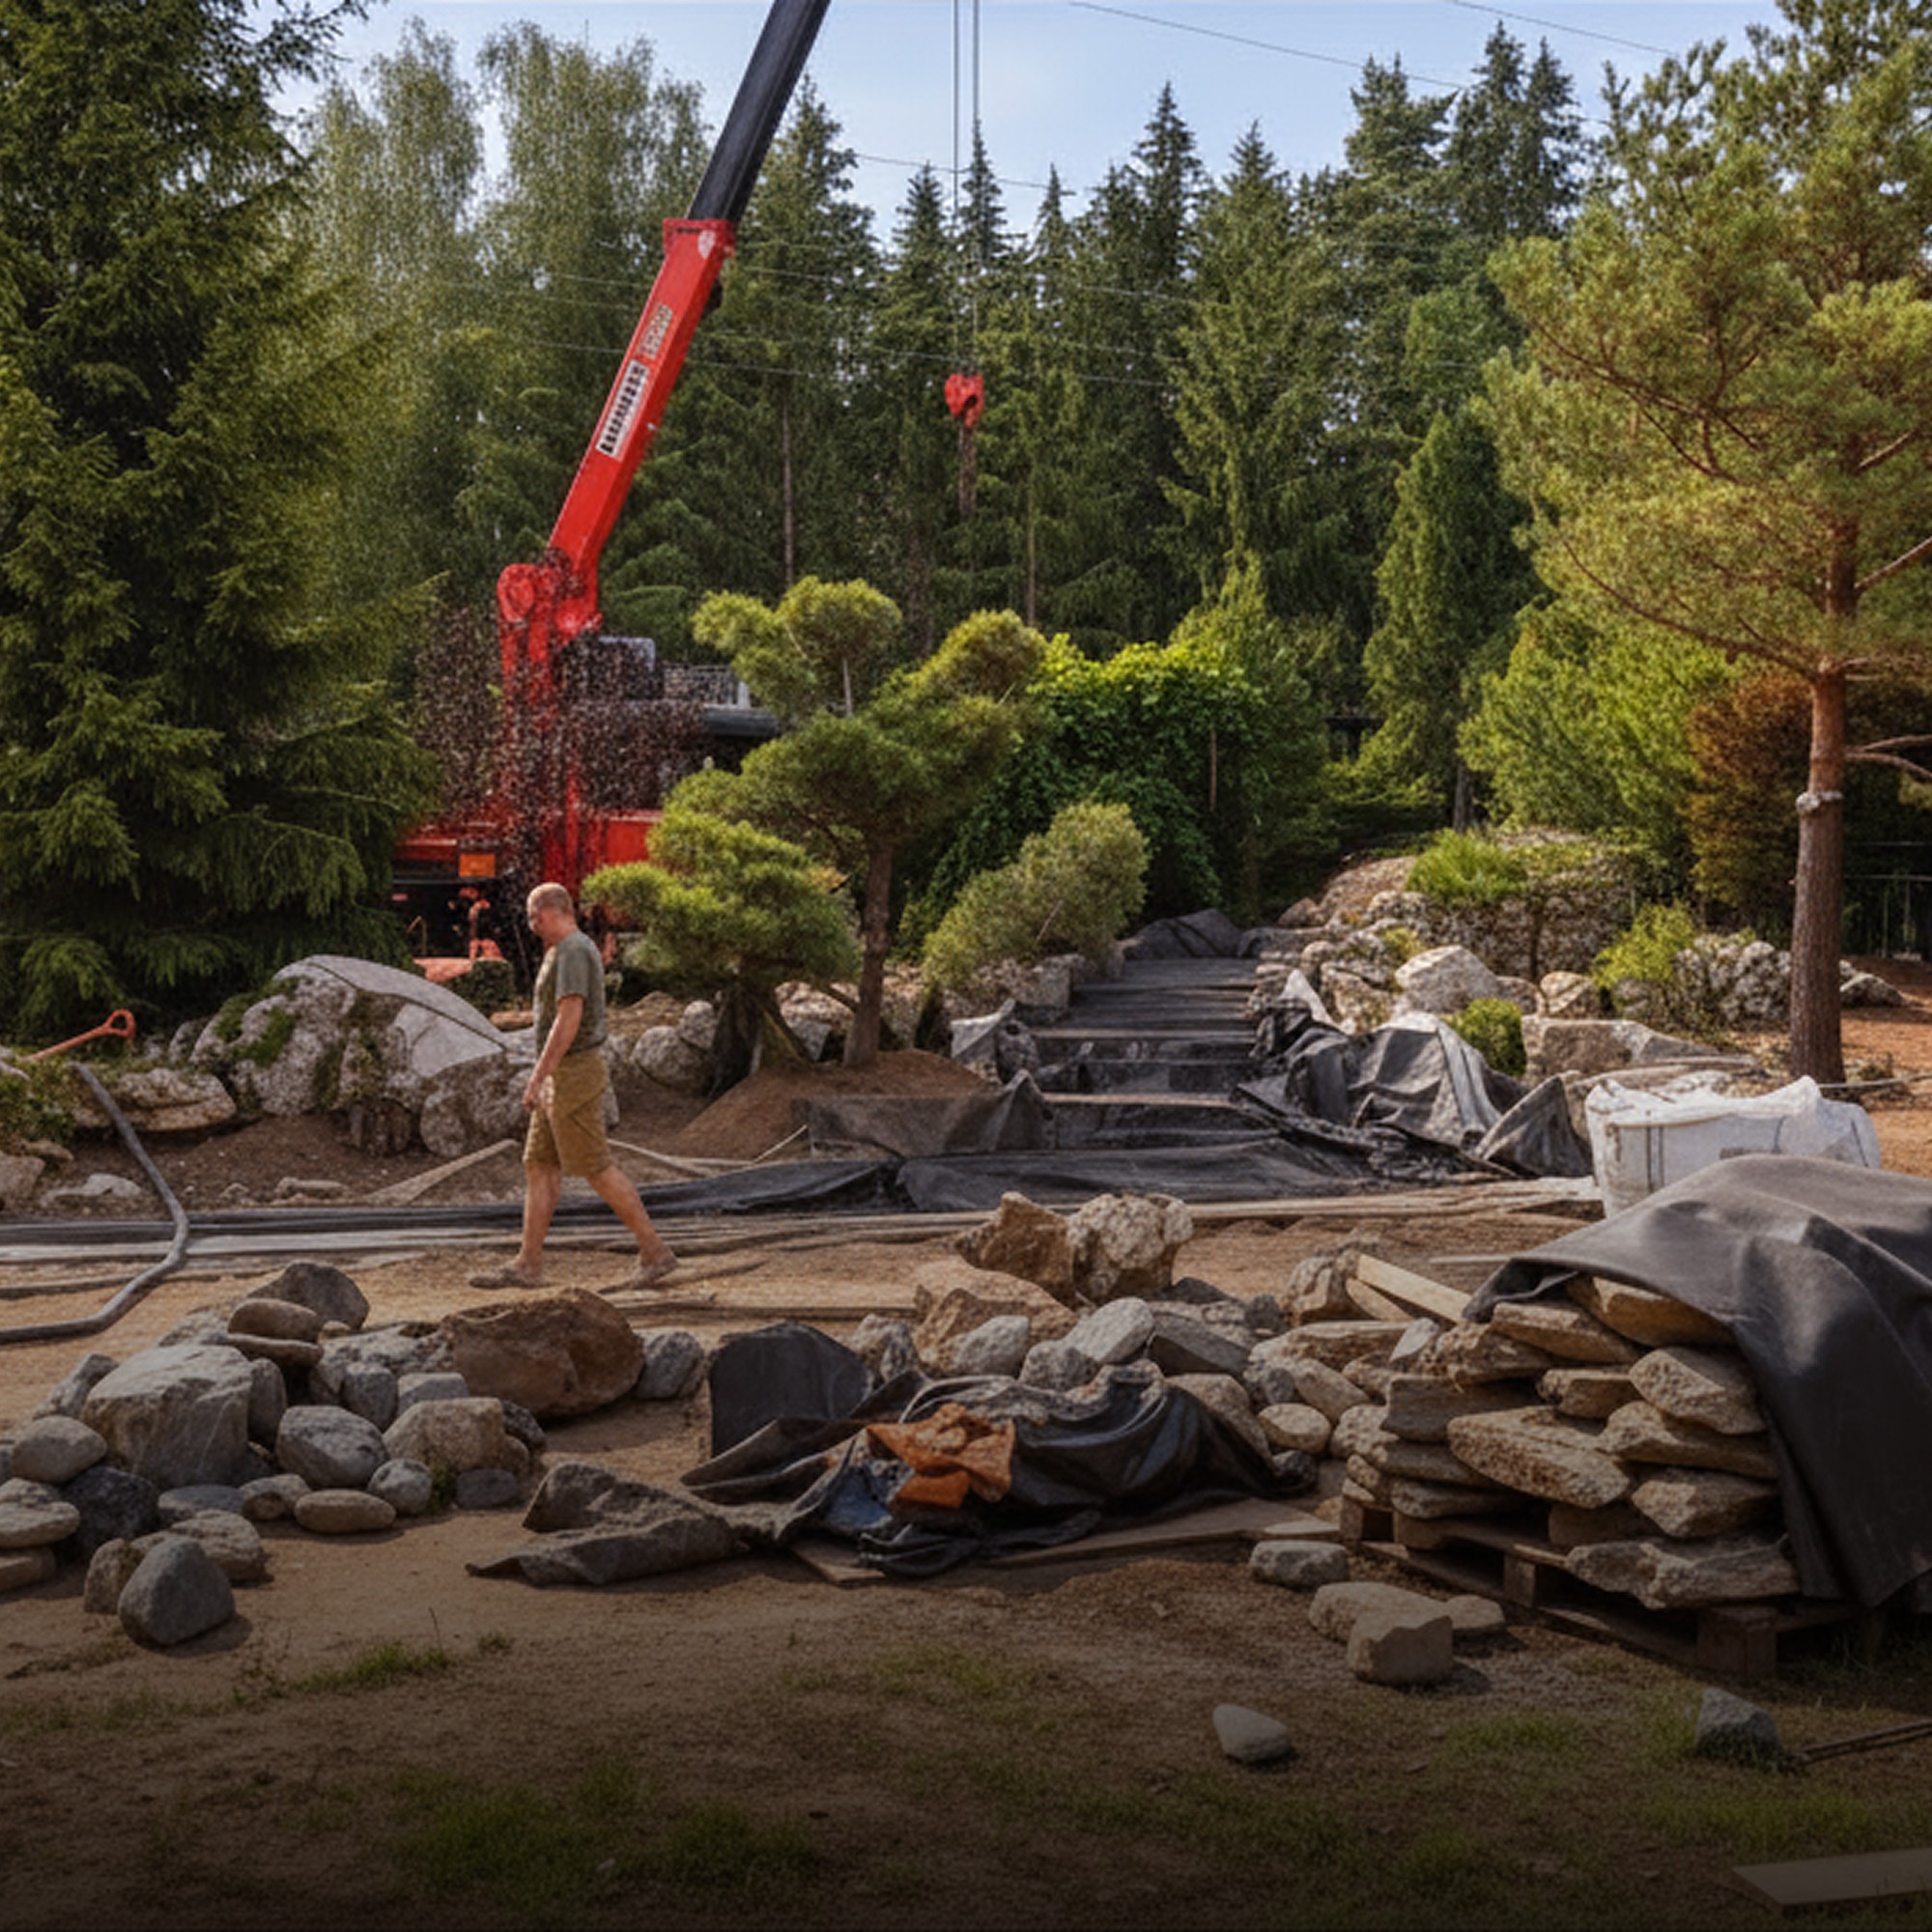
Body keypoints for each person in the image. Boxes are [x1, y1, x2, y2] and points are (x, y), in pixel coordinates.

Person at [468, 881, 678, 1293]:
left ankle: (655, 1252)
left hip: (573, 1072)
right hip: (561, 1074)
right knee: (539, 1165)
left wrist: (538, 1075)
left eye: (532, 916)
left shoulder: (574, 951)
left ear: (547, 913)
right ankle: (528, 1264)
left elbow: (569, 1019)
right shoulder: (562, 951)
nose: (530, 925)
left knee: (595, 1166)